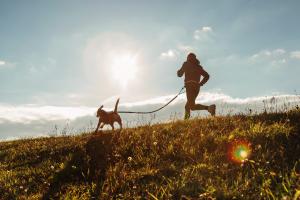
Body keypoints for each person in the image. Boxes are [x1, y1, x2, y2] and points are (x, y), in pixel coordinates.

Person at [177, 53, 216, 119]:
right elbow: (207, 76)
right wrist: (200, 83)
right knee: (188, 106)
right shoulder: (198, 67)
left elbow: (180, 74)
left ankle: (209, 108)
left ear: (188, 58)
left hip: (190, 86)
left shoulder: (186, 64)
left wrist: (178, 71)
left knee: (191, 106)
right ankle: (186, 121)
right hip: (196, 87)